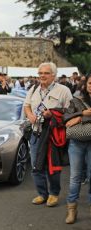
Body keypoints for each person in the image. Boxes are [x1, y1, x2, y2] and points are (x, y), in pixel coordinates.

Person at [24, 62, 73, 207]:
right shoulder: (33, 89)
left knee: (52, 165)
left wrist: (52, 114)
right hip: (36, 133)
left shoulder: (63, 90)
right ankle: (42, 194)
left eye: (45, 73)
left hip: (52, 134)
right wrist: (30, 115)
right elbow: (26, 105)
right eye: (40, 73)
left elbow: (70, 111)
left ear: (53, 75)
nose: (42, 76)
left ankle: (53, 194)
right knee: (36, 165)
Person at [63, 75, 91, 224]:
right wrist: (82, 114)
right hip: (77, 142)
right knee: (75, 178)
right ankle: (72, 210)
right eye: (90, 83)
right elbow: (66, 120)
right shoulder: (76, 100)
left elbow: (74, 119)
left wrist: (80, 119)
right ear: (85, 84)